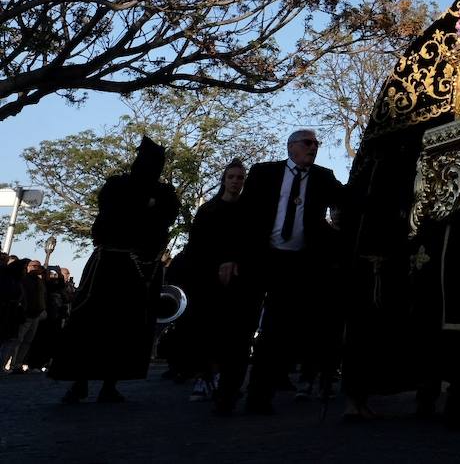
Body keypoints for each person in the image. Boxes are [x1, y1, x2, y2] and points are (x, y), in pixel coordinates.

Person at [218, 129, 346, 416]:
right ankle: (226, 395)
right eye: (308, 143)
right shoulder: (264, 173)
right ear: (291, 147)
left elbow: (349, 198)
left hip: (294, 266)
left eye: (316, 144)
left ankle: (259, 397)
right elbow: (242, 216)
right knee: (241, 328)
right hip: (257, 259)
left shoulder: (323, 177)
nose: (313, 147)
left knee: (275, 334)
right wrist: (230, 256)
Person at [49, 135, 179, 403]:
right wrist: (144, 206)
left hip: (143, 269)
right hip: (109, 264)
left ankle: (110, 384)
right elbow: (111, 215)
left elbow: (165, 217)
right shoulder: (117, 186)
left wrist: (144, 208)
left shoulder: (164, 193)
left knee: (128, 327)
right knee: (92, 323)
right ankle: (79, 381)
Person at [183, 160, 249, 402]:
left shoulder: (248, 211)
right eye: (231, 177)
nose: (235, 181)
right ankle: (204, 377)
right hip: (207, 280)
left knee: (230, 333)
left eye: (240, 177)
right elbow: (196, 247)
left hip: (237, 281)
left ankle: (224, 378)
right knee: (206, 330)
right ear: (224, 179)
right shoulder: (208, 211)